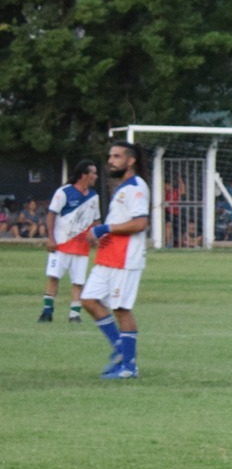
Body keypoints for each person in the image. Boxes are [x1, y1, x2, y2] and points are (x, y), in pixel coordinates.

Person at [80, 144, 149, 379]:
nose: (111, 160)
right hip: (108, 257)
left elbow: (140, 223)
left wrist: (104, 228)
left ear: (130, 161)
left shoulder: (137, 187)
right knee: (88, 300)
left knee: (121, 309)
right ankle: (121, 348)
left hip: (125, 258)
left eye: (117, 156)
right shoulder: (123, 188)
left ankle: (129, 368)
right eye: (110, 156)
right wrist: (101, 234)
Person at [40, 162, 99, 323]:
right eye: (93, 173)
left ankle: (74, 315)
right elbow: (52, 214)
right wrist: (51, 239)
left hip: (82, 247)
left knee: (78, 282)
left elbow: (96, 220)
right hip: (61, 245)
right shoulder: (64, 192)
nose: (96, 176)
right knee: (53, 277)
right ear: (84, 175)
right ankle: (47, 312)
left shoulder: (94, 196)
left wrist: (96, 237)